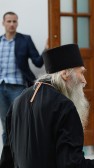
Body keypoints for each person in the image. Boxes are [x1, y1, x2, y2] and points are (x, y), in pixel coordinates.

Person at [0, 44, 94, 168]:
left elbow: (7, 159)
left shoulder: (18, 101)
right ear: (65, 74)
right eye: (81, 73)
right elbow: (72, 164)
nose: (84, 81)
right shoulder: (63, 106)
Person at [0, 11, 48, 144]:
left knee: (20, 122)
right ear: (3, 23)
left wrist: (46, 50)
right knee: (6, 125)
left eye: (14, 21)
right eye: (9, 21)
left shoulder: (25, 40)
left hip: (18, 87)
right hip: (1, 88)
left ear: (17, 23)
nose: (12, 24)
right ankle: (7, 160)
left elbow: (38, 63)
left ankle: (21, 158)